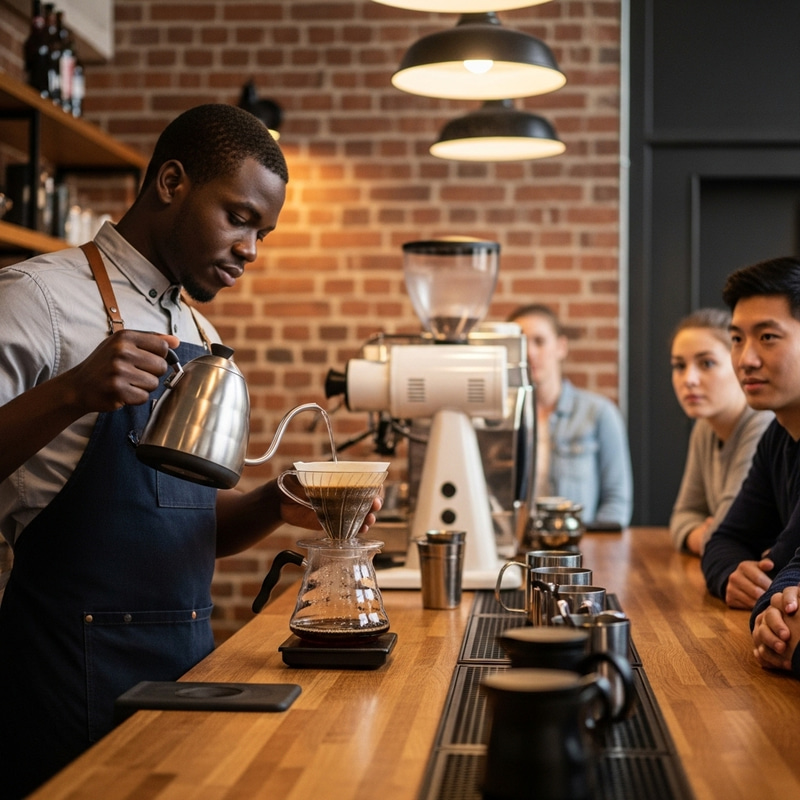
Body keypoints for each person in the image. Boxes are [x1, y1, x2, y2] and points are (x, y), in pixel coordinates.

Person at [0, 104, 378, 798]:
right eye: (239, 218)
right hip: (63, 680)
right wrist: (73, 392)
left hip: (189, 674)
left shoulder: (197, 330)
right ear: (172, 182)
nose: (251, 250)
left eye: (262, 233)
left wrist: (275, 501)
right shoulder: (38, 299)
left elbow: (182, 528)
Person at [700, 256, 800, 611]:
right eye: (737, 339)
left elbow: (784, 563)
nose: (746, 359)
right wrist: (733, 573)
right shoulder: (778, 435)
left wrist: (771, 569)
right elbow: (724, 539)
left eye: (767, 337)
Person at [508, 304, 633, 527]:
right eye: (521, 343)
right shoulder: (498, 419)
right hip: (514, 542)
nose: (529, 353)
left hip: (577, 544)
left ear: (561, 347)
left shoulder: (599, 413)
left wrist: (592, 544)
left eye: (539, 341)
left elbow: (616, 502)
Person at [668, 308, 772, 555]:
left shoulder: (763, 424)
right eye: (679, 366)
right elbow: (683, 514)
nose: (689, 379)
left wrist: (712, 536)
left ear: (738, 363)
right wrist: (700, 536)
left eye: (707, 363)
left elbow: (727, 531)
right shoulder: (705, 427)